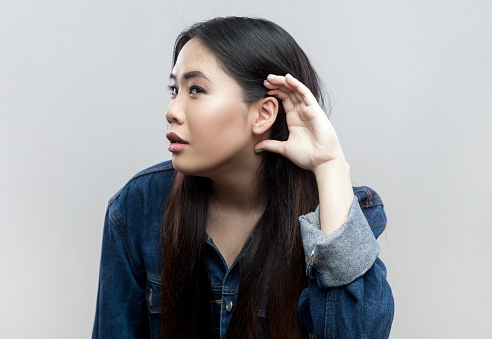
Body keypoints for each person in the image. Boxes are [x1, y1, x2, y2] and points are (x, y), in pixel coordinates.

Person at [92, 16, 394, 338]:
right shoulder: (138, 207)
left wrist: (330, 164)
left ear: (263, 114)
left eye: (196, 89)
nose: (172, 110)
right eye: (174, 89)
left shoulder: (340, 214)